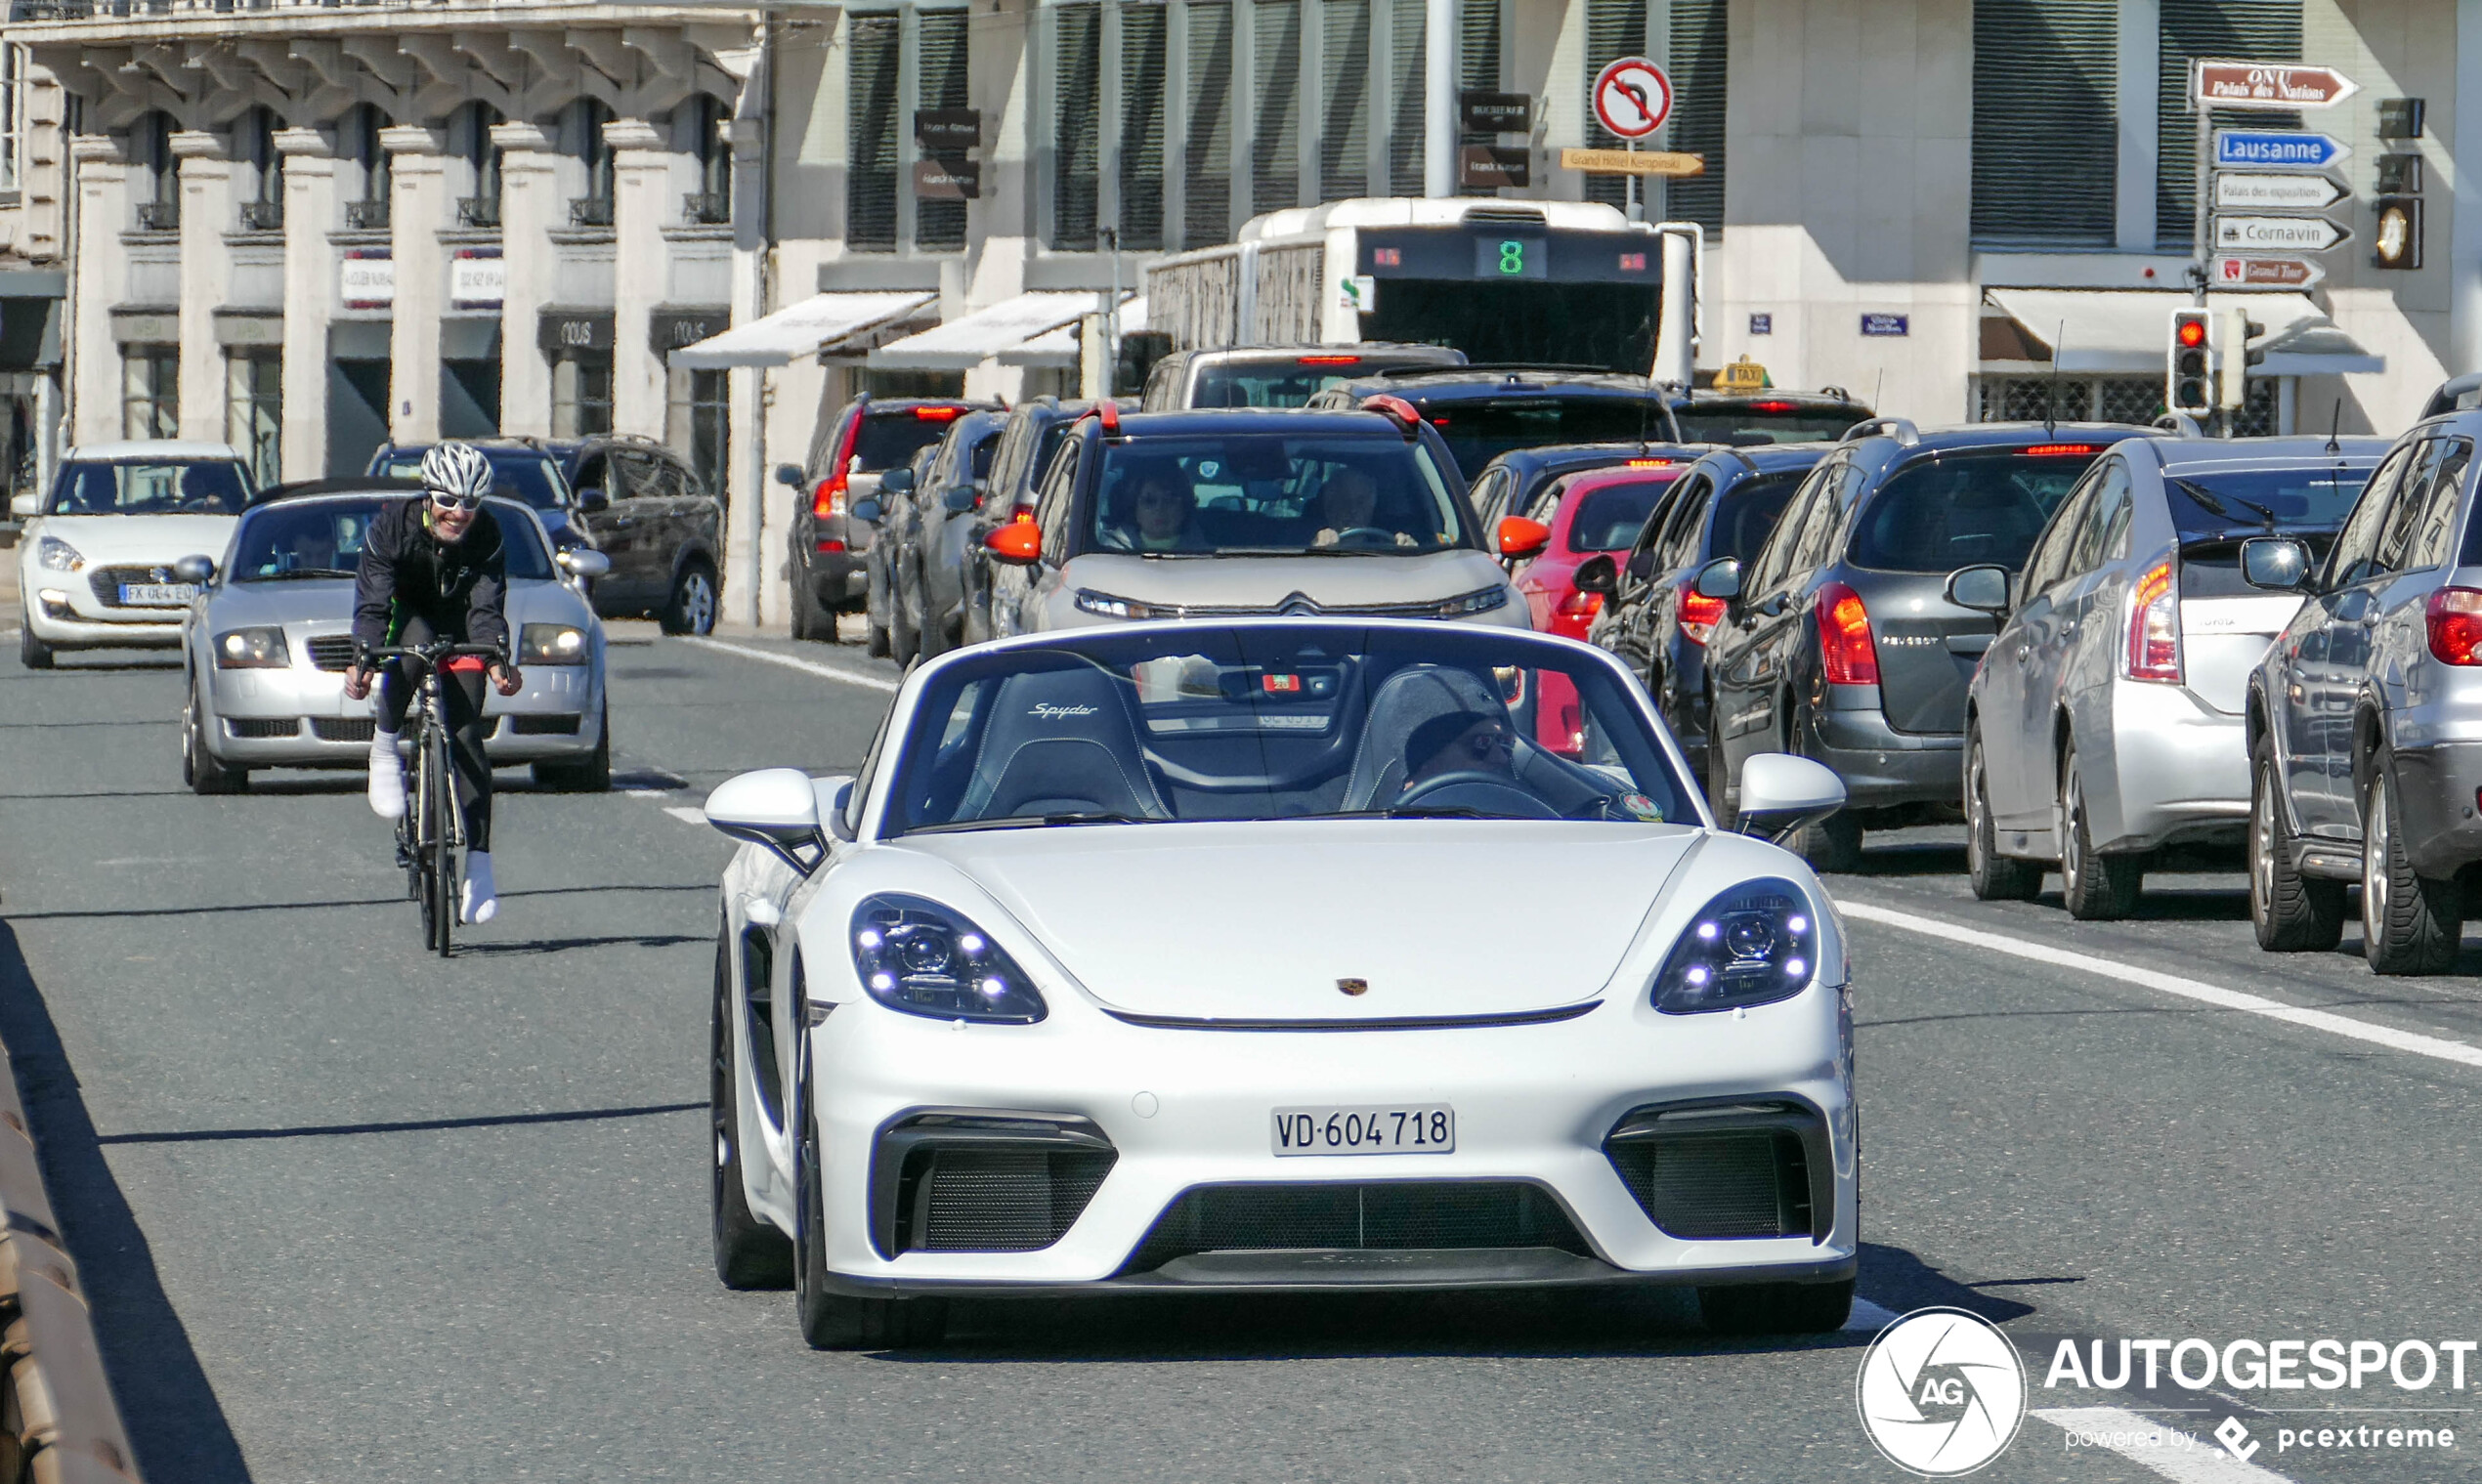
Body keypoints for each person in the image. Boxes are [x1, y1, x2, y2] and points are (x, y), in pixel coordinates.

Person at [342, 444, 524, 924]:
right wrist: (363, 658)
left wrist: (497, 662)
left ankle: (480, 865)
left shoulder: (486, 534)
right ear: (427, 495)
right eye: (448, 500)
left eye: (470, 503)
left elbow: (487, 606)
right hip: (410, 614)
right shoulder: (393, 526)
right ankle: (384, 746)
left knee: (466, 735)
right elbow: (374, 602)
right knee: (410, 646)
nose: (458, 513)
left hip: (464, 623)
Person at [1400, 709, 1518, 793]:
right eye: (1481, 743)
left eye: (1505, 742)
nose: (1502, 758)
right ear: (1430, 761)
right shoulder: (1392, 822)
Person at [1313, 467, 1413, 547]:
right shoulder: (1302, 542)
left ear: (1372, 507)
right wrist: (1316, 550)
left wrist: (1411, 554)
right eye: (1345, 501)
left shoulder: (1389, 544)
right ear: (1329, 505)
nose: (1353, 510)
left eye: (1361, 502)